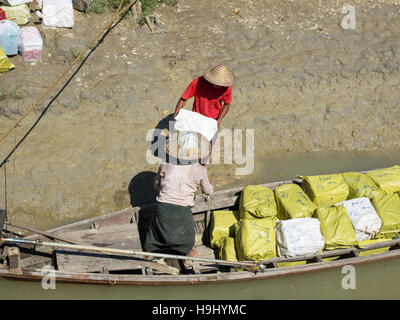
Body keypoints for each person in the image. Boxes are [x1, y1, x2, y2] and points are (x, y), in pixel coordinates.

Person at [144, 132, 214, 262]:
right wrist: (203, 186)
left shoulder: (165, 164)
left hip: (162, 208)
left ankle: (147, 252)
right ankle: (187, 256)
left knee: (153, 232)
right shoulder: (200, 170)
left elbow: (156, 185)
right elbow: (208, 190)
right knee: (188, 237)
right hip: (182, 210)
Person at [173, 64, 234, 131]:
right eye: (216, 84)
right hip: (196, 115)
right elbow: (184, 98)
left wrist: (218, 121)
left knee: (210, 139)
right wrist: (176, 114)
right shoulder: (198, 82)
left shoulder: (226, 88)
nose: (218, 86)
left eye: (220, 85)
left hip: (213, 118)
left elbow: (227, 104)